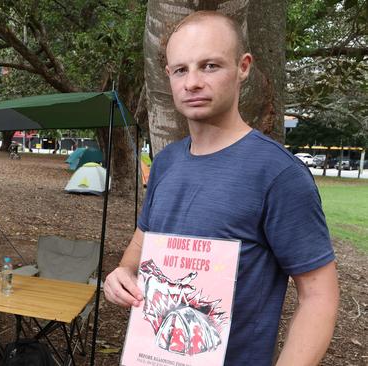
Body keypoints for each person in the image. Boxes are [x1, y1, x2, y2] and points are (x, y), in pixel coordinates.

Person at [103, 11, 339, 365]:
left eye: (210, 66)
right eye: (181, 70)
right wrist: (121, 274)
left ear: (243, 67)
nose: (193, 82)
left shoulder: (278, 174)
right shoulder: (166, 163)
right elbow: (141, 243)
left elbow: (319, 296)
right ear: (168, 75)